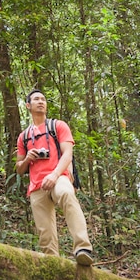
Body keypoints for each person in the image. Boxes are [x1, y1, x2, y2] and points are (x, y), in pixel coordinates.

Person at [16, 89, 93, 266]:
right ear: (28, 105)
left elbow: (67, 154)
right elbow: (19, 169)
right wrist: (28, 158)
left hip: (59, 177)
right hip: (36, 187)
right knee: (45, 234)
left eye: (43, 99)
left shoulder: (58, 126)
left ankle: (83, 248)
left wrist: (55, 174)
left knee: (66, 194)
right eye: (36, 99)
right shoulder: (24, 136)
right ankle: (54, 267)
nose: (41, 102)